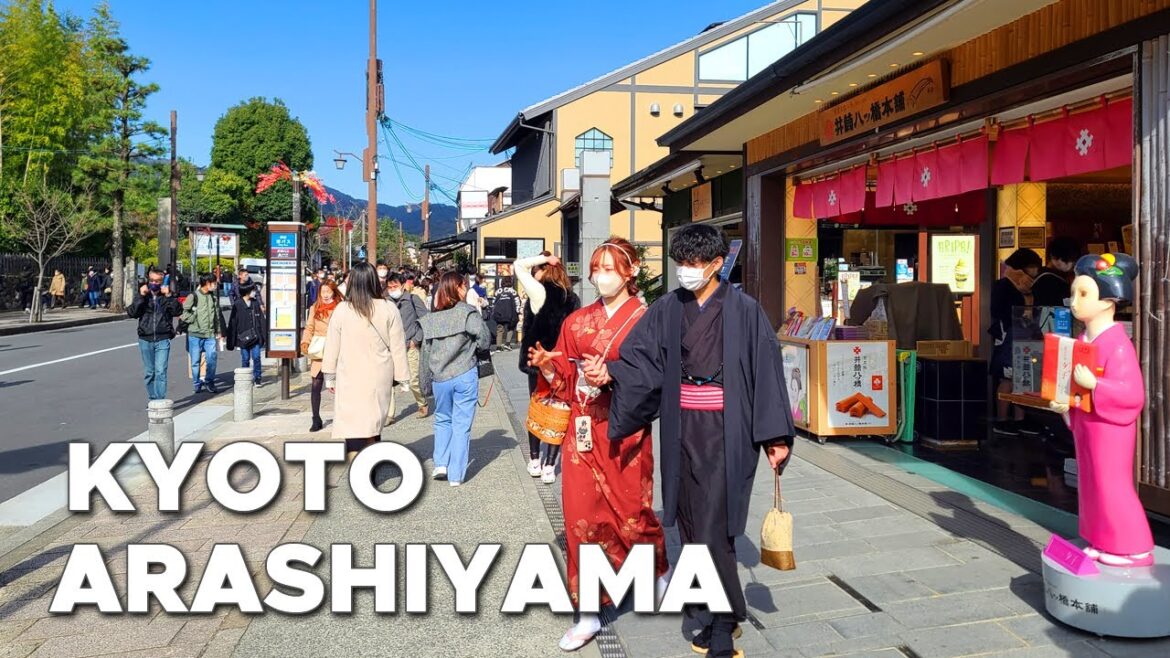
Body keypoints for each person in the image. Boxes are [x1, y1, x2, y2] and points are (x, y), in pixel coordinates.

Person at [603, 225, 795, 658]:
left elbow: (766, 373)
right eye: (680, 264)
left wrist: (775, 437)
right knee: (689, 522)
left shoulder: (745, 311)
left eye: (693, 264)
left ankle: (724, 622)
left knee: (715, 524)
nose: (685, 272)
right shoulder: (669, 309)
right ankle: (701, 610)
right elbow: (639, 358)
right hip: (680, 425)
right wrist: (612, 372)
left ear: (715, 264)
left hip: (729, 431)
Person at [527, 238, 668, 651]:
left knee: (631, 510)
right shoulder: (577, 322)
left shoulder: (646, 319)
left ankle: (656, 572)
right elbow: (568, 377)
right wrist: (549, 367)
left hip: (624, 429)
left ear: (631, 271)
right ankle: (588, 610)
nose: (601, 276)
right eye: (596, 268)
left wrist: (612, 373)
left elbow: (657, 374)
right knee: (580, 518)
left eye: (609, 268)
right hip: (582, 430)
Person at [1049, 252, 1152, 567]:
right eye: (1074, 294)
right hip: (1088, 423)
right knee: (1091, 482)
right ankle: (1102, 539)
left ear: (1108, 301)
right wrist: (1064, 405)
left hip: (1110, 427)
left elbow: (1132, 395)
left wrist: (1096, 385)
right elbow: (1075, 386)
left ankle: (1133, 546)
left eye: (1083, 294)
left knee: (1111, 484)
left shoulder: (1118, 345)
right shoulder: (1084, 339)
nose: (1075, 302)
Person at [322, 262, 410, 459]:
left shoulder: (342, 310)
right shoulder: (388, 308)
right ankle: (370, 464)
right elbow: (397, 346)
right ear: (374, 281)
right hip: (378, 374)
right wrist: (403, 378)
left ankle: (357, 464)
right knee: (373, 423)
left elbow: (332, 346)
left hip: (349, 376)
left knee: (352, 424)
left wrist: (329, 374)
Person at [419, 271, 491, 487]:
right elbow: (485, 339)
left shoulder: (431, 319)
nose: (466, 289)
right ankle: (456, 474)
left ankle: (441, 463)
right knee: (461, 424)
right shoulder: (467, 313)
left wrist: (424, 385)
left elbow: (425, 354)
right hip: (464, 373)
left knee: (442, 418)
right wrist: (473, 348)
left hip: (439, 377)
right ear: (457, 288)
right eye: (464, 286)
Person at [517, 251, 580, 483]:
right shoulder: (572, 298)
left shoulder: (539, 291)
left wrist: (541, 259)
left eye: (538, 270)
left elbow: (518, 266)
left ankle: (535, 459)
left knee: (537, 407)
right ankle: (550, 465)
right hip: (562, 361)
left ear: (545, 269)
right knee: (559, 410)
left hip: (538, 359)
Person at [989, 248, 1042, 424]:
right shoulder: (1004, 285)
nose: (1035, 271)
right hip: (1010, 337)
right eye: (1032, 266)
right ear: (1022, 266)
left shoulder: (1033, 286)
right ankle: (1002, 419)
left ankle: (1021, 420)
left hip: (1027, 336)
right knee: (1008, 378)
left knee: (1024, 379)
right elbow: (996, 310)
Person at [127, 268, 183, 401]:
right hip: (145, 338)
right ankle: (153, 398)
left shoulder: (166, 296)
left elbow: (177, 311)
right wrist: (141, 296)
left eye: (158, 281)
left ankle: (160, 400)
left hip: (163, 337)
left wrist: (169, 296)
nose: (154, 283)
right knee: (149, 372)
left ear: (162, 282)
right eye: (152, 280)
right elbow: (132, 313)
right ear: (147, 280)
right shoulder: (143, 296)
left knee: (160, 371)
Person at [300, 280, 343, 432]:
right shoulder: (315, 307)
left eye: (328, 292)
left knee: (339, 385)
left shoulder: (341, 307)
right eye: (322, 292)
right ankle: (316, 418)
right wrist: (305, 342)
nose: (325, 295)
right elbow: (309, 327)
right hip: (319, 348)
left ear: (333, 292)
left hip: (337, 348)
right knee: (316, 384)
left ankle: (342, 416)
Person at [388, 273, 431, 418]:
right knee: (389, 381)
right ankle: (389, 414)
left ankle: (422, 402)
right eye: (389, 287)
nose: (392, 289)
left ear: (402, 285)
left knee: (413, 380)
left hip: (410, 345)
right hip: (391, 348)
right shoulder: (386, 302)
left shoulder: (413, 299)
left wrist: (416, 339)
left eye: (395, 286)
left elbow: (425, 320)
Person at [182, 273, 226, 394]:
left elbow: (216, 316)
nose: (216, 286)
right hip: (194, 333)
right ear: (207, 283)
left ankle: (209, 381)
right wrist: (193, 318)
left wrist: (219, 331)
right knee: (195, 361)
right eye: (214, 283)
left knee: (212, 358)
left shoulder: (213, 298)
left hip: (210, 334)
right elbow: (183, 312)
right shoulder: (193, 296)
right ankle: (197, 382)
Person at [227, 282, 267, 386]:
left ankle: (258, 377)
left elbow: (261, 319)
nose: (255, 293)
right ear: (247, 292)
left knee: (257, 357)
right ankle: (246, 377)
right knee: (245, 358)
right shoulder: (238, 304)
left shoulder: (255, 303)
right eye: (253, 291)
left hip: (256, 335)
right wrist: (232, 338)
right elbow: (233, 322)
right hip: (243, 337)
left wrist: (264, 335)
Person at [1032, 237, 1082, 308]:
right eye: (1068, 260)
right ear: (1054, 257)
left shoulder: (1042, 275)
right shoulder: (1048, 280)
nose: (1072, 264)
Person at [491, 277, 521, 350]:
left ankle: (498, 346)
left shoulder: (498, 291)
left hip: (499, 314)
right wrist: (517, 311)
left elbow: (493, 302)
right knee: (511, 328)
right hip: (510, 314)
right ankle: (507, 344)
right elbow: (517, 302)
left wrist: (493, 312)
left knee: (499, 329)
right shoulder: (513, 291)